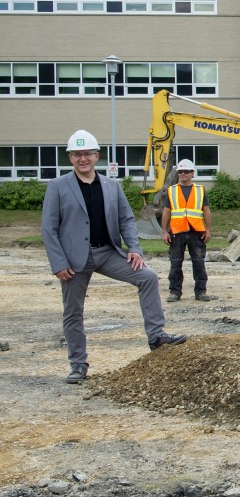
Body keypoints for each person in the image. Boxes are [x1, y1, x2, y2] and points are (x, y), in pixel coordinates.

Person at [41, 130, 188, 384]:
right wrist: (58, 263)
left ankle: (156, 336)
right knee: (73, 311)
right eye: (77, 154)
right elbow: (48, 228)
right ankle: (78, 364)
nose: (82, 159)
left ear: (96, 155)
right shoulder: (57, 187)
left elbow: (127, 220)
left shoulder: (111, 186)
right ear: (70, 158)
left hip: (107, 252)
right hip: (75, 260)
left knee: (148, 277)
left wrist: (134, 248)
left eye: (87, 153)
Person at [161, 158, 212, 302]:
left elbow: (206, 210)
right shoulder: (171, 191)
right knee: (175, 263)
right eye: (180, 172)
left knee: (199, 263)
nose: (183, 174)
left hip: (196, 232)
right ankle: (175, 292)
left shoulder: (200, 190)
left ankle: (201, 292)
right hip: (177, 232)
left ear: (192, 173)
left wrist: (208, 230)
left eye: (186, 171)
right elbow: (166, 211)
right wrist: (165, 231)